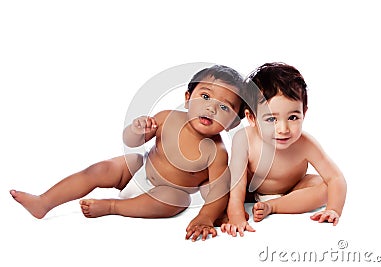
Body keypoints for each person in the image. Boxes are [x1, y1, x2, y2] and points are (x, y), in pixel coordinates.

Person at [10, 65, 246, 242]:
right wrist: (137, 130)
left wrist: (206, 217)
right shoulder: (167, 117)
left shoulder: (217, 151)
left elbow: (218, 191)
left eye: (224, 107)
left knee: (177, 200)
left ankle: (113, 206)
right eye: (205, 96)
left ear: (234, 122)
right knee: (102, 169)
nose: (211, 107)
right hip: (140, 169)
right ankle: (44, 201)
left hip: (166, 191)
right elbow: (131, 141)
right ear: (187, 98)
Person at [221, 62, 347, 237]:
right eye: (271, 119)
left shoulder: (306, 143)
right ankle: (236, 208)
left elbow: (335, 177)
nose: (283, 129)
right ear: (251, 117)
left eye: (293, 117)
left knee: (325, 188)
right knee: (217, 186)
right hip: (249, 192)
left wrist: (334, 210)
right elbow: (238, 181)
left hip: (292, 191)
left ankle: (274, 206)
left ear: (305, 113)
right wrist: (235, 214)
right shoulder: (244, 138)